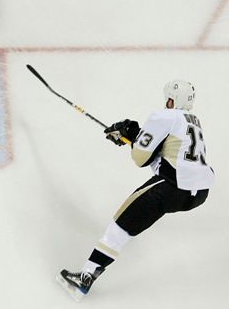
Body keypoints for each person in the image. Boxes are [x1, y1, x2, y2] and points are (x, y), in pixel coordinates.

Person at [57, 79, 215, 301]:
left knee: (121, 223)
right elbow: (169, 153)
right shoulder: (194, 122)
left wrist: (132, 139)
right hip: (199, 192)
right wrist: (135, 137)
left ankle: (84, 278)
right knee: (140, 214)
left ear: (171, 99)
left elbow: (140, 159)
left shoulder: (165, 116)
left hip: (173, 186)